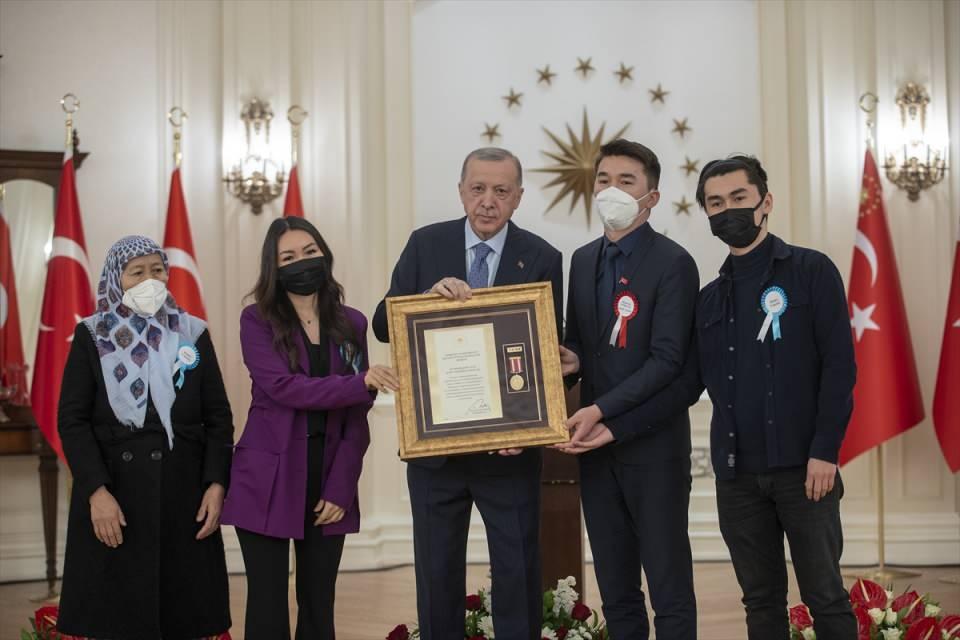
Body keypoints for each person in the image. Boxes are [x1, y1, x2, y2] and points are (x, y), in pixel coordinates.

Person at [567, 155, 858, 639]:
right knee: (760, 600)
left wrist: (825, 451)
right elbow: (685, 386)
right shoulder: (710, 298)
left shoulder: (811, 270)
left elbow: (840, 368)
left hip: (804, 469)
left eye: (739, 198)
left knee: (824, 595)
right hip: (737, 475)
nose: (728, 211)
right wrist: (612, 428)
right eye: (716, 203)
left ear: (766, 202)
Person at [372, 147, 563, 640]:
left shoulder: (542, 257)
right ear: (461, 191)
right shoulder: (425, 244)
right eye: (478, 189)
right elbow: (383, 325)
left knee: (518, 573)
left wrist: (529, 427)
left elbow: (546, 353)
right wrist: (422, 300)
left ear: (518, 197)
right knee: (436, 576)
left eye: (501, 191)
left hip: (509, 452)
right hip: (435, 452)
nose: (487, 201)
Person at [221, 216, 398, 640]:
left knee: (319, 606)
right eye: (288, 257)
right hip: (268, 479)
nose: (302, 261)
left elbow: (357, 414)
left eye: (309, 251)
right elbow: (284, 388)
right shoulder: (256, 320)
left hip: (328, 476)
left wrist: (341, 487)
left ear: (324, 254)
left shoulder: (352, 323)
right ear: (274, 267)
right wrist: (359, 382)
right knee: (266, 607)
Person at [555, 139, 700, 639]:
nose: (610, 189)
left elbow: (668, 361)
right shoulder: (582, 259)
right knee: (616, 591)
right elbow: (581, 344)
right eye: (603, 180)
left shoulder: (674, 262)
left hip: (653, 449)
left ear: (651, 197)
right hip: (595, 455)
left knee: (668, 587)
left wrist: (600, 411)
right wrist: (571, 361)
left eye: (626, 181)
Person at [57, 235, 233, 640]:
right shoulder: (91, 335)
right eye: (136, 272)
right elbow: (73, 421)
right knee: (118, 619)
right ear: (115, 280)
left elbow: (218, 417)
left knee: (183, 617)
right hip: (115, 493)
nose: (149, 280)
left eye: (157, 270)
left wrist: (216, 483)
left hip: (183, 494)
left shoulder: (192, 333)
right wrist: (96, 492)